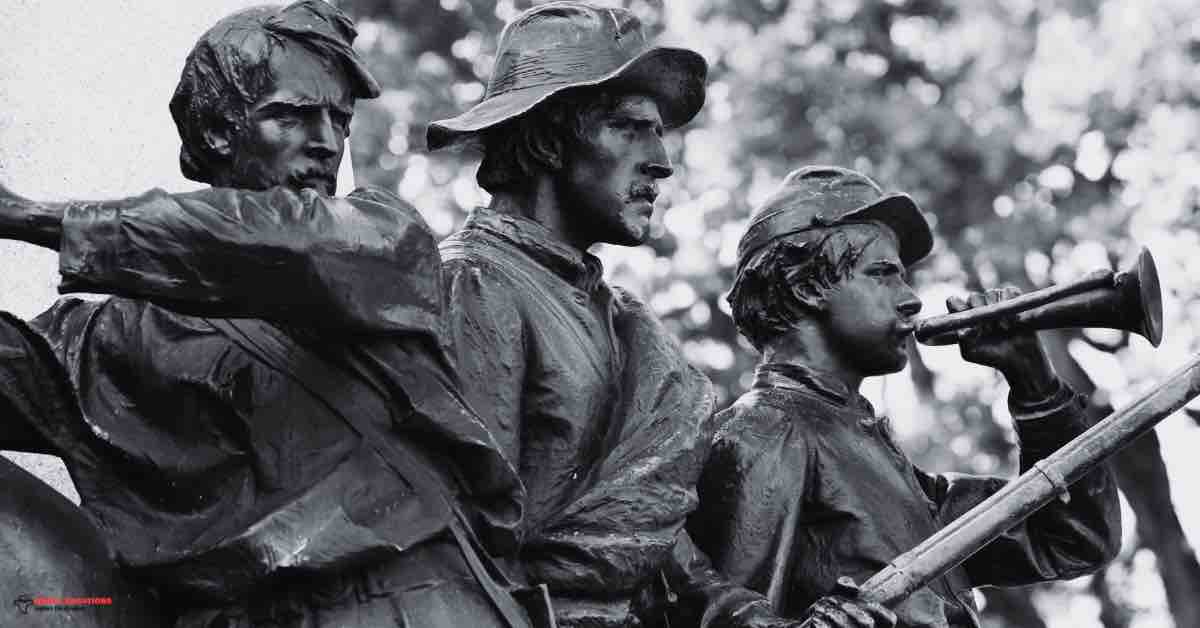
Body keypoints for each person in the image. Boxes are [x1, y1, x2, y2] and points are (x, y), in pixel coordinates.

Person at [0, 2, 531, 626]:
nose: (328, 144)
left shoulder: (385, 239)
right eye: (295, 117)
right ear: (221, 131)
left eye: (339, 119)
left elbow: (281, 241)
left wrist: (30, 217)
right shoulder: (108, 336)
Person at [688, 165, 1122, 627]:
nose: (911, 298)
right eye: (883, 274)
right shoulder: (762, 431)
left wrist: (1034, 383)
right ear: (806, 287)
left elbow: (1075, 539)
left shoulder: (896, 473)